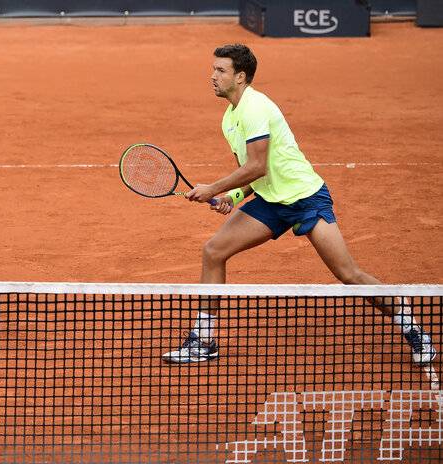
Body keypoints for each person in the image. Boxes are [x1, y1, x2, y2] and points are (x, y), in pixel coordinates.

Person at [161, 44, 435, 366]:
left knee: (348, 274)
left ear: (240, 76)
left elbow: (257, 166)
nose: (213, 76)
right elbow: (251, 175)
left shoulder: (256, 108)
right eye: (214, 69)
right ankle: (203, 341)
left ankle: (410, 325)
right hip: (271, 202)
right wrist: (231, 197)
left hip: (305, 198)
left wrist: (212, 188)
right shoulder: (230, 119)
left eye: (220, 70)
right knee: (214, 251)